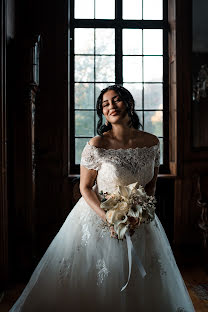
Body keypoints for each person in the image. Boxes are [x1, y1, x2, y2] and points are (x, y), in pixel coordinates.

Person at [10, 85, 195, 312]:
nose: (111, 106)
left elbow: (151, 185)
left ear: (129, 103)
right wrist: (109, 218)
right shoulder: (97, 145)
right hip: (100, 218)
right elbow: (85, 188)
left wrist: (142, 212)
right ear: (103, 114)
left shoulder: (152, 143)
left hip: (141, 220)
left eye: (115, 100)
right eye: (105, 104)